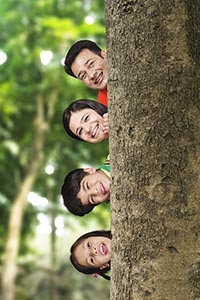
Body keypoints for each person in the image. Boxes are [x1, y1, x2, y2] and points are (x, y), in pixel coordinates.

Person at [64, 40, 108, 107]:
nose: (91, 75)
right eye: (83, 76)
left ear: (104, 55)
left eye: (91, 64)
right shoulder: (103, 103)